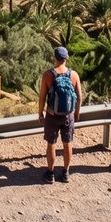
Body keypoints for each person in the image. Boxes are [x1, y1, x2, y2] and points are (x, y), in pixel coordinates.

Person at [39, 45, 81, 183]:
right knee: (67, 143)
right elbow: (79, 97)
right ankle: (66, 173)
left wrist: (40, 112)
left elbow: (42, 97)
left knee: (51, 143)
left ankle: (50, 173)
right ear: (66, 58)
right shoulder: (74, 75)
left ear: (54, 58)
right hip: (68, 115)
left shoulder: (48, 75)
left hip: (52, 115)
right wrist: (76, 113)